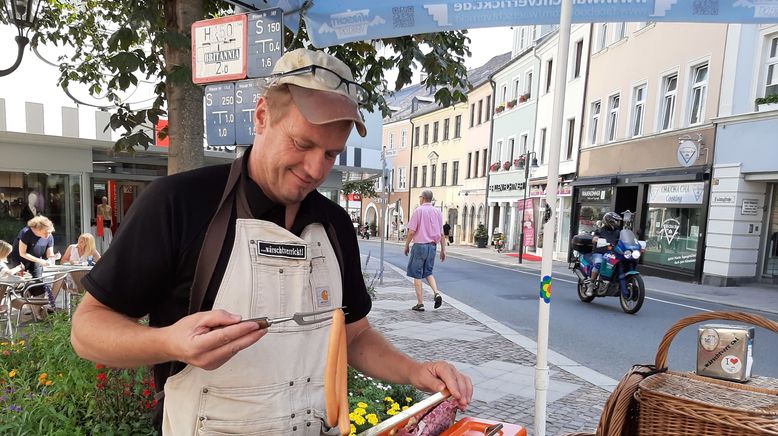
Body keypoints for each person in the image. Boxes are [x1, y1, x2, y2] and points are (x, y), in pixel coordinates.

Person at [71, 48, 471, 435]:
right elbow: (87, 329)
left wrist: (415, 371)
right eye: (302, 144)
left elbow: (354, 334)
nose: (316, 169)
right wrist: (169, 342)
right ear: (261, 116)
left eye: (331, 153)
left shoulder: (334, 224)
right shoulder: (179, 203)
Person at [404, 190, 445, 312]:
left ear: (422, 198)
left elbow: (411, 231)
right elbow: (441, 233)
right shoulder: (437, 212)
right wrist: (443, 250)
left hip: (420, 246)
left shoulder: (418, 211)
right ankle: (436, 293)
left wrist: (406, 245)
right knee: (428, 272)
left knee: (417, 274)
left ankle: (420, 303)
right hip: (432, 246)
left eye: (419, 197)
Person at [9, 216, 56, 296]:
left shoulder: (49, 236)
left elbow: (49, 254)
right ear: (38, 229)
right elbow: (22, 253)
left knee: (38, 285)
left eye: (49, 232)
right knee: (22, 286)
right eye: (45, 232)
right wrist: (40, 261)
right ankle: (23, 303)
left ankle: (37, 307)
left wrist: (54, 257)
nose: (47, 235)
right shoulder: (26, 232)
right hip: (20, 262)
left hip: (36, 262)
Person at [585, 211, 623, 297]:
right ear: (609, 221)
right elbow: (594, 238)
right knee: (598, 263)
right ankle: (591, 284)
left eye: (618, 221)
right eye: (615, 221)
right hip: (599, 252)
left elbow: (623, 240)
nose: (617, 223)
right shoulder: (600, 230)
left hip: (612, 253)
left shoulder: (618, 232)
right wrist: (596, 239)